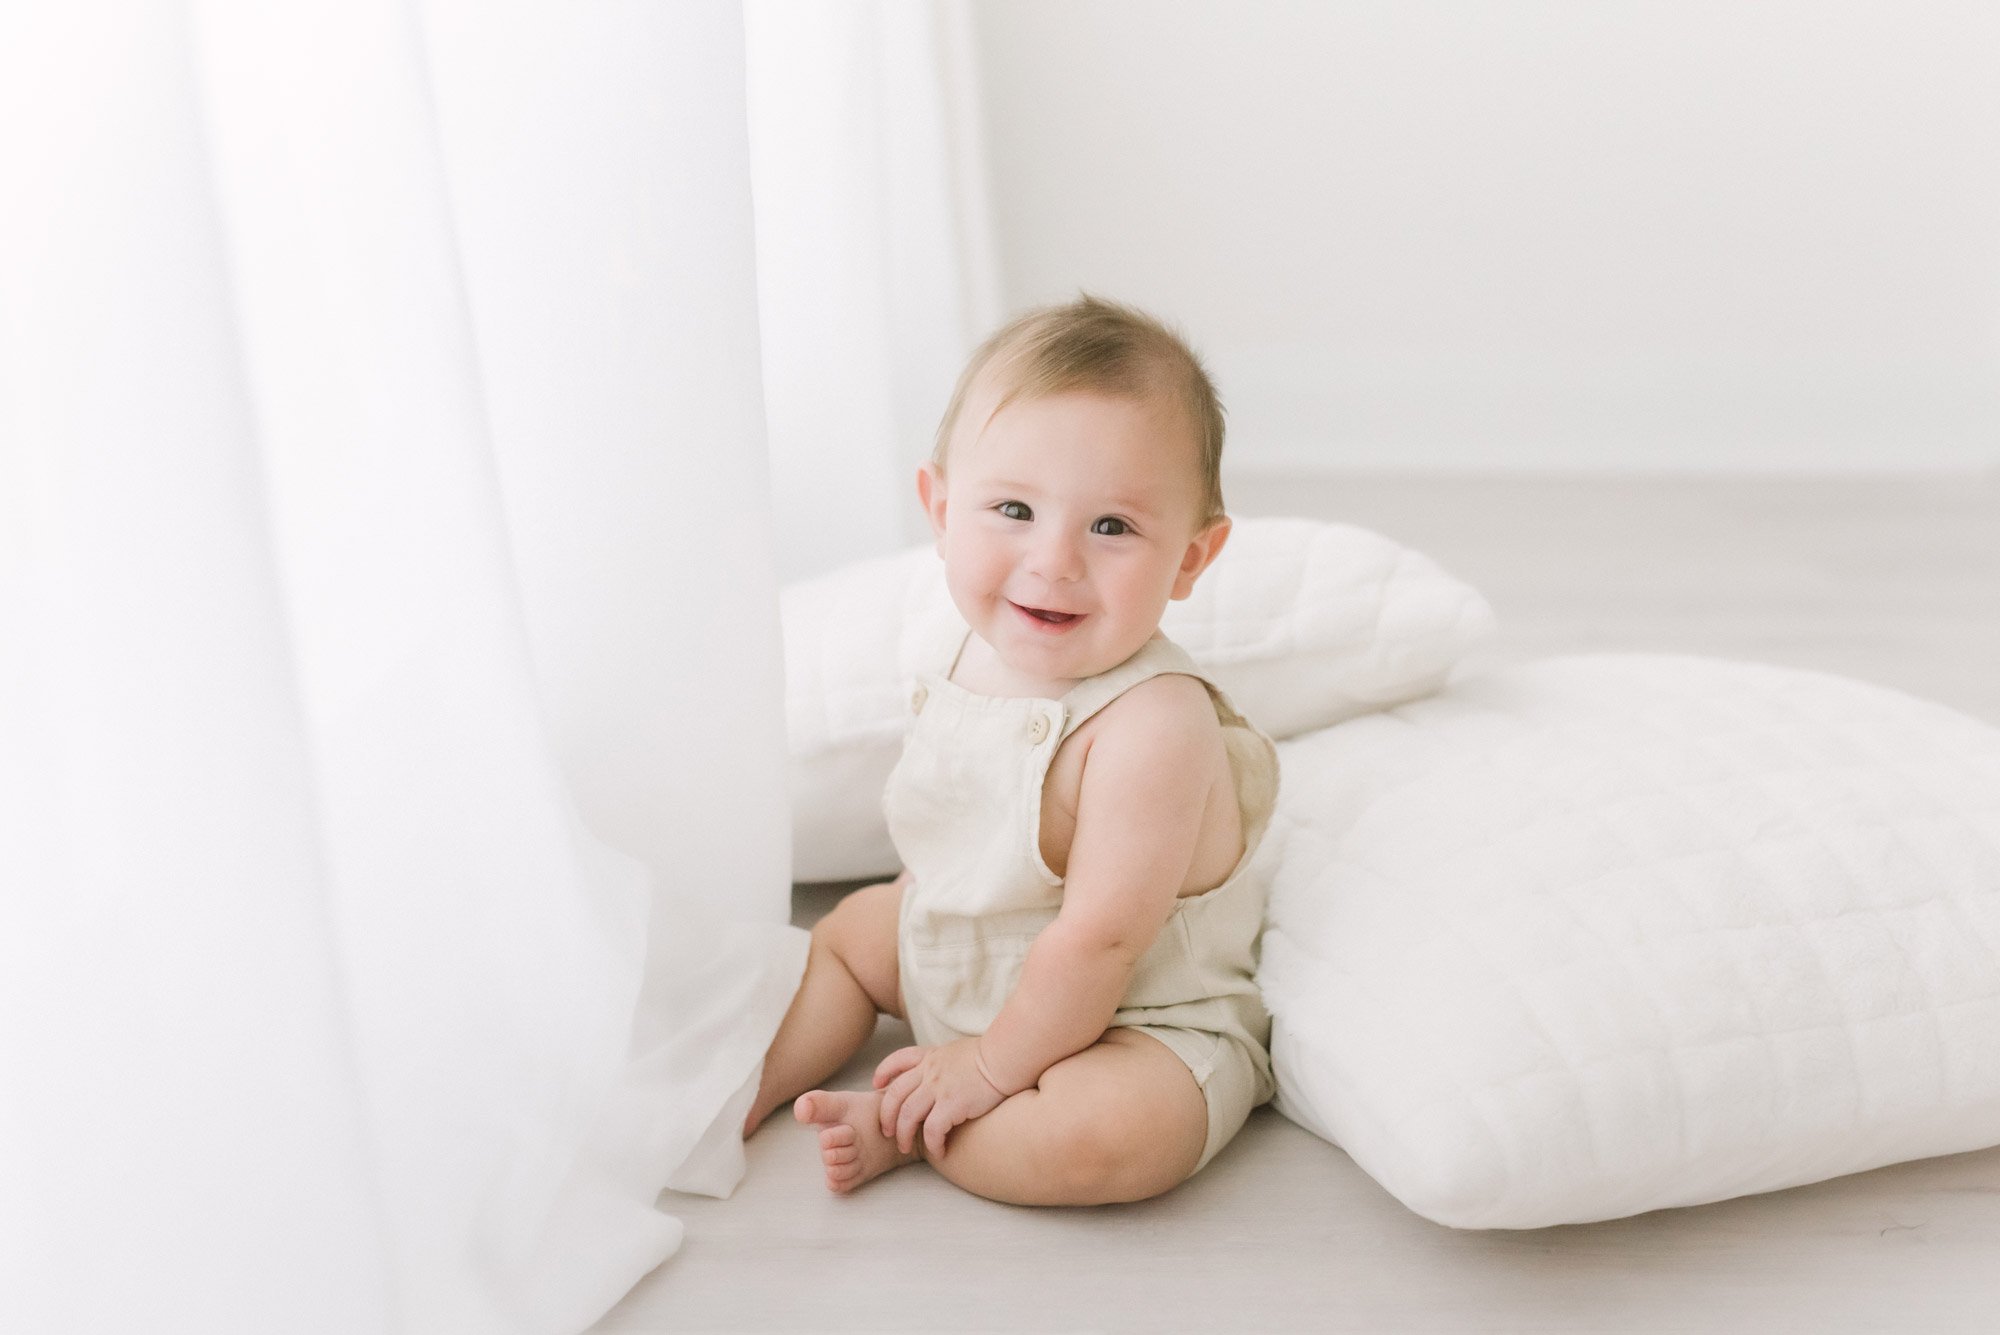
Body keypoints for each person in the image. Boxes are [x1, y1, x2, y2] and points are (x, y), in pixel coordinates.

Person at [741, 294, 1279, 1205]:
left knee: (1103, 1139)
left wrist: (988, 1068)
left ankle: (915, 1127)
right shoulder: (956, 651)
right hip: (967, 955)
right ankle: (744, 1090)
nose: (1055, 560)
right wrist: (919, 912)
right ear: (941, 508)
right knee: (841, 937)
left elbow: (1102, 941)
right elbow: (954, 830)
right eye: (1015, 509)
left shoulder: (1155, 725)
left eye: (1111, 527)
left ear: (1191, 558)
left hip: (1132, 1015)